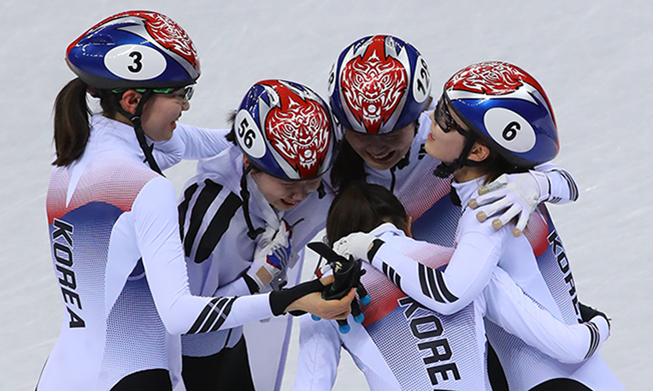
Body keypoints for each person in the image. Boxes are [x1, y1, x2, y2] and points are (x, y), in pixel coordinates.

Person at [37, 12, 353, 391]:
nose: (185, 106)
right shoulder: (145, 188)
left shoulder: (73, 159)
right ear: (133, 99)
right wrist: (284, 296)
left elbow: (213, 141)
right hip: (135, 377)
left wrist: (281, 139)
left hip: (65, 373)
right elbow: (180, 316)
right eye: (179, 94)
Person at [333, 61, 625, 390]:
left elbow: (448, 292)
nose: (432, 120)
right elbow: (564, 182)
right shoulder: (509, 185)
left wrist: (372, 247)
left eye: (444, 119)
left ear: (479, 150)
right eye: (439, 109)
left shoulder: (486, 212)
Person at [294, 181, 610, 390]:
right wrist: (599, 323)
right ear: (407, 222)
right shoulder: (464, 270)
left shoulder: (326, 299)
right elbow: (570, 346)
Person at [327, 35, 581, 251]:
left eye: (391, 134)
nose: (376, 148)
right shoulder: (324, 162)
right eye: (361, 134)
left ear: (419, 115)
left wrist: (533, 184)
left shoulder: (448, 137)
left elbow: (567, 184)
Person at [178, 79, 345, 390]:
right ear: (249, 161)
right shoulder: (211, 215)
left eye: (311, 183)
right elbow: (189, 319)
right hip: (189, 358)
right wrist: (258, 277)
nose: (301, 196)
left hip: (232, 340)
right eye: (288, 185)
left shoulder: (291, 186)